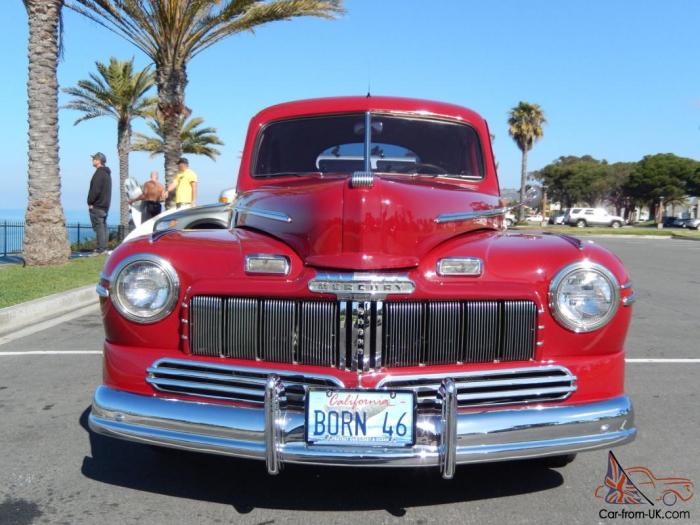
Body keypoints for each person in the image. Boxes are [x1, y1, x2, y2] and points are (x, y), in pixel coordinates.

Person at [87, 152, 112, 254]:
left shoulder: (99, 173)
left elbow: (95, 190)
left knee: (99, 227)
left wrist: (90, 201)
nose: (92, 160)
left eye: (94, 159)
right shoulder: (106, 174)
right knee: (103, 226)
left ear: (98, 161)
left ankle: (100, 249)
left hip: (97, 205)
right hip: (105, 205)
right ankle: (104, 248)